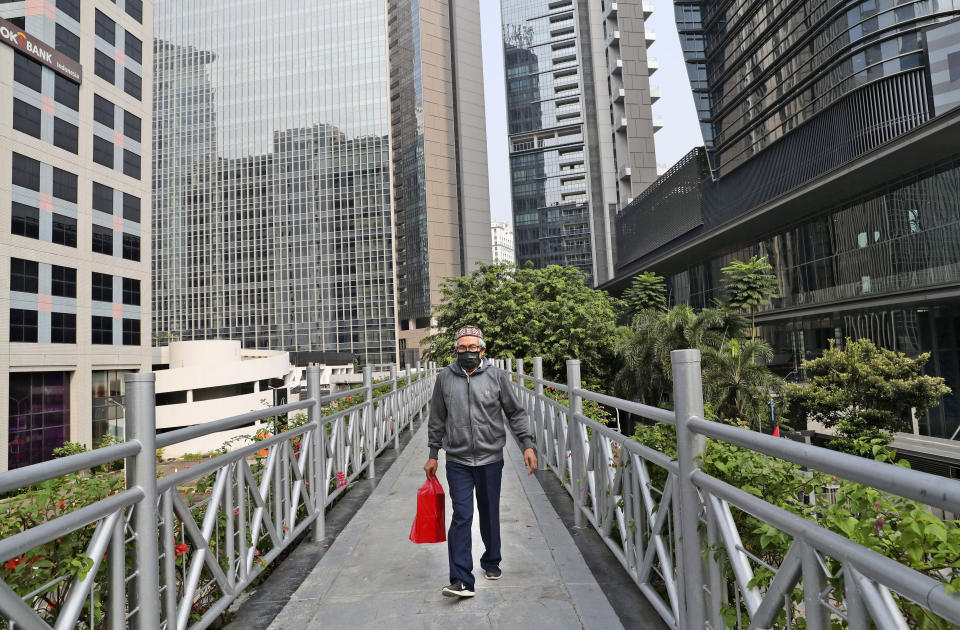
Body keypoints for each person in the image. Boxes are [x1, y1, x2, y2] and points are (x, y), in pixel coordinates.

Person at [424, 325, 538, 598]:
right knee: (462, 515)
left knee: (488, 511)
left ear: (483, 350)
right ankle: (462, 579)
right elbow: (437, 418)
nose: (467, 352)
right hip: (458, 459)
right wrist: (432, 454)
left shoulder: (496, 377)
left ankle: (491, 560)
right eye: (461, 348)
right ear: (455, 350)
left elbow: (515, 412)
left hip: (490, 457)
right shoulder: (445, 378)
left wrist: (527, 445)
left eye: (472, 347)